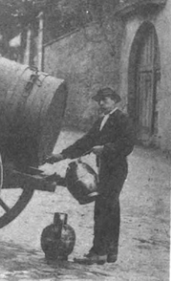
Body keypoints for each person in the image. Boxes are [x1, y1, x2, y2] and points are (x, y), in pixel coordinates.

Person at [47, 87, 135, 265]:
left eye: (105, 100)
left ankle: (98, 252)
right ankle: (110, 252)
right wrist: (62, 155)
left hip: (116, 169)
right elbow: (86, 142)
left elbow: (127, 145)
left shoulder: (121, 119)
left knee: (103, 209)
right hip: (105, 168)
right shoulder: (102, 120)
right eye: (100, 100)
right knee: (110, 209)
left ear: (114, 101)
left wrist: (105, 149)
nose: (101, 103)